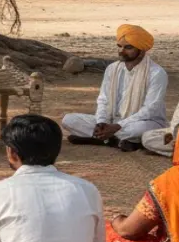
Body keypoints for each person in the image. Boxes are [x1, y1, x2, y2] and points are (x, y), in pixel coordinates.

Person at [61, 24, 168, 152]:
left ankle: (100, 138)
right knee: (69, 120)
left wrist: (118, 126)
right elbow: (103, 100)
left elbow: (150, 110)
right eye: (120, 46)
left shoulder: (156, 73)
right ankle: (115, 139)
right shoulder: (112, 69)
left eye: (128, 47)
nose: (121, 51)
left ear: (142, 51)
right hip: (112, 121)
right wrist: (101, 122)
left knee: (139, 130)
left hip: (145, 122)